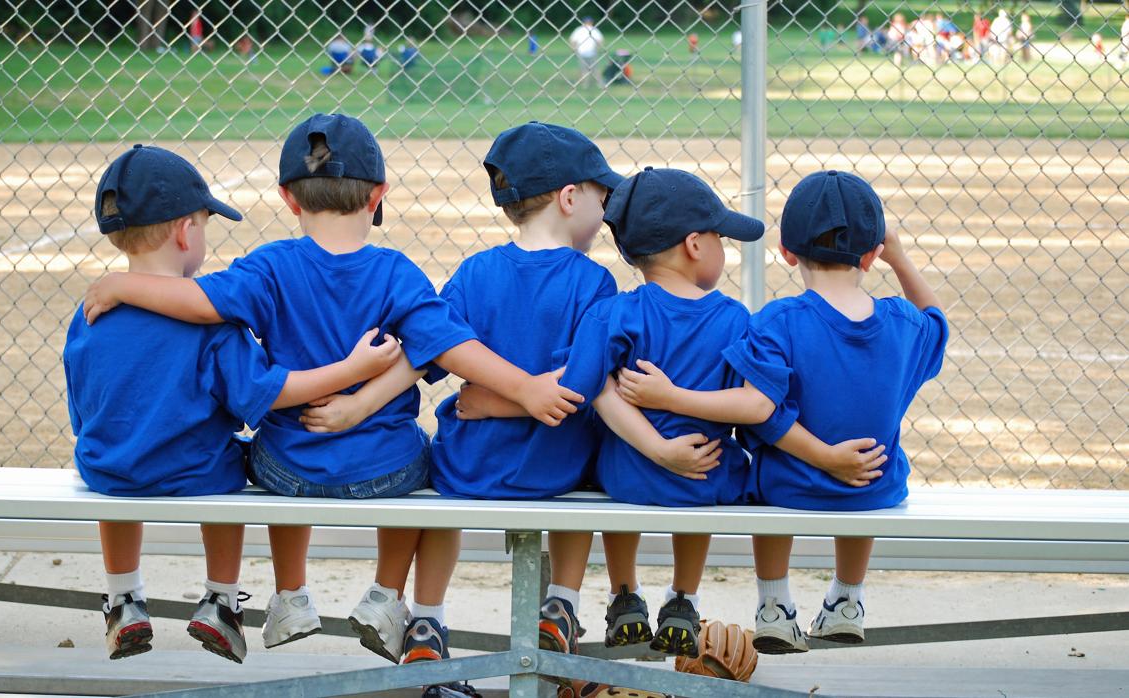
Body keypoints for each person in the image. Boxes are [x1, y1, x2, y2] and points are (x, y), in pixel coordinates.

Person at [82, 113, 585, 662]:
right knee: (422, 451)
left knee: (271, 441)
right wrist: (526, 388)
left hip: (285, 472)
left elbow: (200, 303)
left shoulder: (269, 266)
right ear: (378, 195)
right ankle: (385, 595)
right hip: (383, 473)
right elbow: (447, 345)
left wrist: (123, 282)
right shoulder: (396, 272)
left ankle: (291, 595)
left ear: (288, 198)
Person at [66, 145, 403, 664]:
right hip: (194, 474)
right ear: (185, 233)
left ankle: (124, 598)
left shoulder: (89, 313)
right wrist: (353, 372)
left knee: (114, 457)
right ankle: (220, 599)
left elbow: (84, 414)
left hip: (108, 471)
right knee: (232, 459)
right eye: (204, 225)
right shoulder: (212, 325)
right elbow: (268, 393)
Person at [554, 168, 884, 659]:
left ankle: (625, 594)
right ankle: (683, 598)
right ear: (694, 245)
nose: (724, 249)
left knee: (609, 475)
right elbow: (753, 407)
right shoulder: (733, 318)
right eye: (720, 238)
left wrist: (656, 447)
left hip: (627, 475)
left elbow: (588, 386)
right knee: (708, 477)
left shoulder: (615, 312)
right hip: (704, 478)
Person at [640, 171, 946, 653]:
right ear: (872, 255)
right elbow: (937, 322)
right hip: (875, 490)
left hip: (790, 489)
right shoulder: (904, 323)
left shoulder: (777, 322)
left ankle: (774, 607)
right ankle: (848, 600)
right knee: (869, 464)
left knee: (762, 478)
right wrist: (902, 259)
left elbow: (761, 414)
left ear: (786, 252)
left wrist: (823, 457)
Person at [380, 122, 628, 671]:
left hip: (470, 468)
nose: (605, 213)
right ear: (569, 198)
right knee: (594, 460)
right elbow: (582, 382)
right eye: (600, 197)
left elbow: (433, 354)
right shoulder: (594, 282)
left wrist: (494, 402)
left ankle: (427, 616)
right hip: (557, 468)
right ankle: (562, 603)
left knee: (441, 491)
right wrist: (531, 400)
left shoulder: (474, 272)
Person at [569, 16, 604, 89]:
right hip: (583, 52)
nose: (588, 24)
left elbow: (572, 41)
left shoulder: (593, 30)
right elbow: (600, 41)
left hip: (589, 52)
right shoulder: (580, 30)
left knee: (592, 69)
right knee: (586, 69)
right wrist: (574, 49)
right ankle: (586, 84)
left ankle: (595, 83)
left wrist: (574, 48)